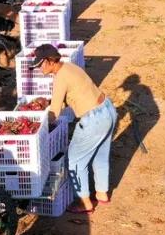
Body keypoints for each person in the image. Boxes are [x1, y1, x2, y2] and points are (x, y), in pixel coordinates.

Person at [32, 44, 117, 214]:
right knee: (100, 156)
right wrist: (47, 103)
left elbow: (54, 113)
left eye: (40, 64)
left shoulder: (60, 78)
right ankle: (101, 194)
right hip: (108, 110)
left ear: (50, 61)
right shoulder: (69, 67)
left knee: (76, 161)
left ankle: (85, 203)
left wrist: (39, 127)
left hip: (93, 120)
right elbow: (70, 94)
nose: (38, 68)